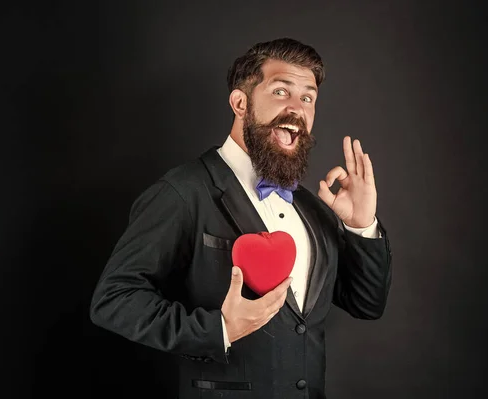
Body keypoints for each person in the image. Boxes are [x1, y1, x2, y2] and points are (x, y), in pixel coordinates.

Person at [90, 37, 392, 399]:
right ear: (240, 103)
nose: (297, 109)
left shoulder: (314, 209)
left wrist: (360, 224)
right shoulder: (183, 191)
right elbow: (114, 299)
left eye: (308, 98)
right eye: (281, 91)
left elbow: (366, 303)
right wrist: (218, 329)